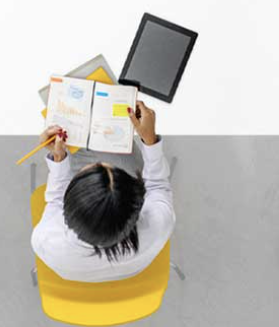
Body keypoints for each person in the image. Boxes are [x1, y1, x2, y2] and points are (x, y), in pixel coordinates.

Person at [31, 101, 173, 282]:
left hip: (74, 273)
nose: (96, 162)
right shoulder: (159, 223)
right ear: (137, 202)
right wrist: (150, 139)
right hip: (134, 269)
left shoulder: (45, 239)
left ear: (67, 212)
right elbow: (158, 185)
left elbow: (55, 201)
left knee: (82, 148)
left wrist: (59, 159)